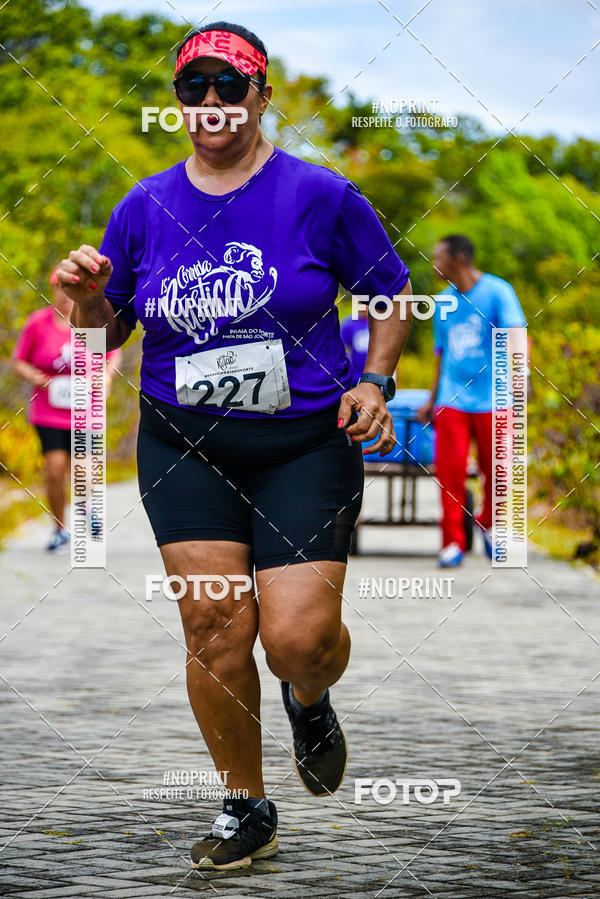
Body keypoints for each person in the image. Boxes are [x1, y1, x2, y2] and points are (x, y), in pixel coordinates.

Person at [55, 22, 412, 870]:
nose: (210, 103)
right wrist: (85, 300)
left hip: (304, 443)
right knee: (214, 623)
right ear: (177, 101)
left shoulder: (320, 195)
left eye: (229, 85)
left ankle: (309, 692)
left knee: (295, 638)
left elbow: (392, 294)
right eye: (192, 89)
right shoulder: (142, 207)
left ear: (261, 94)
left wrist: (376, 382)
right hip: (186, 443)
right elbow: (102, 339)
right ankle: (245, 805)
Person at [417, 235, 526, 567]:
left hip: (495, 398)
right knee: (450, 471)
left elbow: (516, 337)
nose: (434, 264)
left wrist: (523, 379)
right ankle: (452, 542)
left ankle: (489, 524)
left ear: (458, 260)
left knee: (497, 471)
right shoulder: (442, 303)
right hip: (453, 399)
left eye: (439, 258)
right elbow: (441, 355)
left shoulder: (498, 292)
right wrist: (431, 399)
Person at [12, 268, 121, 551]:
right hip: (49, 411)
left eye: (67, 288)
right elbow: (20, 360)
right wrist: (37, 377)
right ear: (52, 290)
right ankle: (59, 527)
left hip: (85, 409)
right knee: (55, 469)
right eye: (57, 288)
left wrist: (105, 377)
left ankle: (86, 507)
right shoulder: (38, 323)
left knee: (83, 469)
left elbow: (112, 353)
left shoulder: (88, 321)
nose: (63, 294)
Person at [340, 304, 370, 385]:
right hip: (355, 378)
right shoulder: (348, 324)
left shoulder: (378, 323)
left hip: (375, 376)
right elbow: (344, 351)